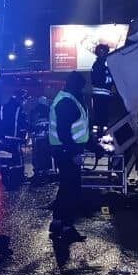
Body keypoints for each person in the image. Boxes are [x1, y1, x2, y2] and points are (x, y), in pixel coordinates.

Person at [49, 72, 90, 241]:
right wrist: (74, 153)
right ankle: (67, 228)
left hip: (63, 150)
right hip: (67, 151)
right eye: (81, 86)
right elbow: (64, 132)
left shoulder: (67, 99)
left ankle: (57, 222)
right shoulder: (67, 102)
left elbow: (77, 127)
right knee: (72, 189)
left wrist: (94, 146)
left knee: (66, 187)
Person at [89, 43, 115, 132]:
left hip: (105, 94)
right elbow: (96, 79)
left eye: (106, 52)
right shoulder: (98, 65)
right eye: (103, 52)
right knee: (99, 114)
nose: (105, 54)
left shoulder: (106, 64)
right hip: (99, 94)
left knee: (104, 114)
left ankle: (102, 130)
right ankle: (98, 132)